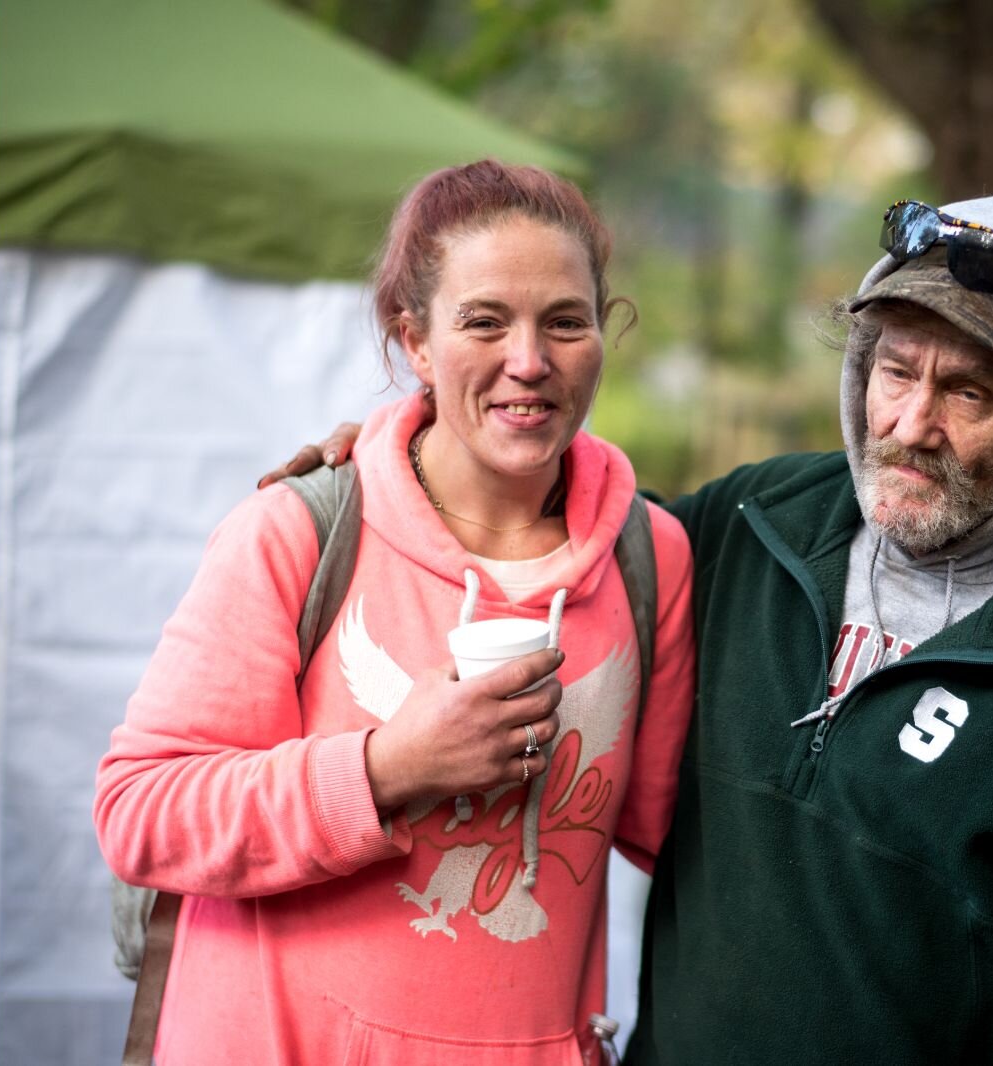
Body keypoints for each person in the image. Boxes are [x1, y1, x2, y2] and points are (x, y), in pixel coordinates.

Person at [273, 190, 993, 1063]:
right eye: (895, 372)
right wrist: (415, 453)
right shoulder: (755, 523)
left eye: (968, 393)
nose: (911, 424)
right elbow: (564, 534)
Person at [95, 160, 695, 1066]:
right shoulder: (298, 532)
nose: (529, 361)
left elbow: (684, 839)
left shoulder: (651, 559)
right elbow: (141, 812)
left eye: (566, 322)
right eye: (484, 321)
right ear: (413, 341)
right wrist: (386, 770)